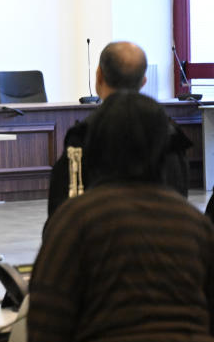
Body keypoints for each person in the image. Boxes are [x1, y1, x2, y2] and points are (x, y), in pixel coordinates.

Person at [28, 92, 214, 342]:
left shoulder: (75, 221)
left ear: (96, 148)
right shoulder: (195, 224)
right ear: (164, 149)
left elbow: (45, 335)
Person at [46, 41, 191, 220]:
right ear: (144, 81)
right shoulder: (170, 136)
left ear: (99, 76)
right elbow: (179, 195)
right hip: (165, 238)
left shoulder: (84, 137)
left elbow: (62, 212)